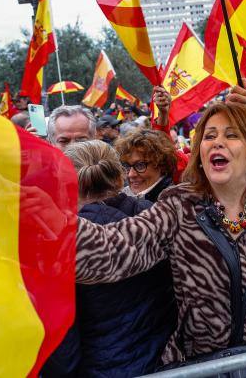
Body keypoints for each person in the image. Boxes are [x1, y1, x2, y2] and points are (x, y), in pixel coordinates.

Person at [73, 103, 246, 373]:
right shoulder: (178, 205)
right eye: (209, 136)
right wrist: (43, 219)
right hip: (200, 369)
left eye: (231, 135)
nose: (217, 143)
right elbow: (114, 249)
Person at [44, 140, 175, 377]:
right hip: (169, 362)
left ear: (65, 185)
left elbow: (62, 343)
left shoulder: (62, 242)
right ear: (119, 178)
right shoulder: (157, 216)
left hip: (103, 369)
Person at [115, 129, 178, 203]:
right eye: (127, 165)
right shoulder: (122, 196)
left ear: (162, 165)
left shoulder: (172, 204)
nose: (130, 175)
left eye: (140, 165)